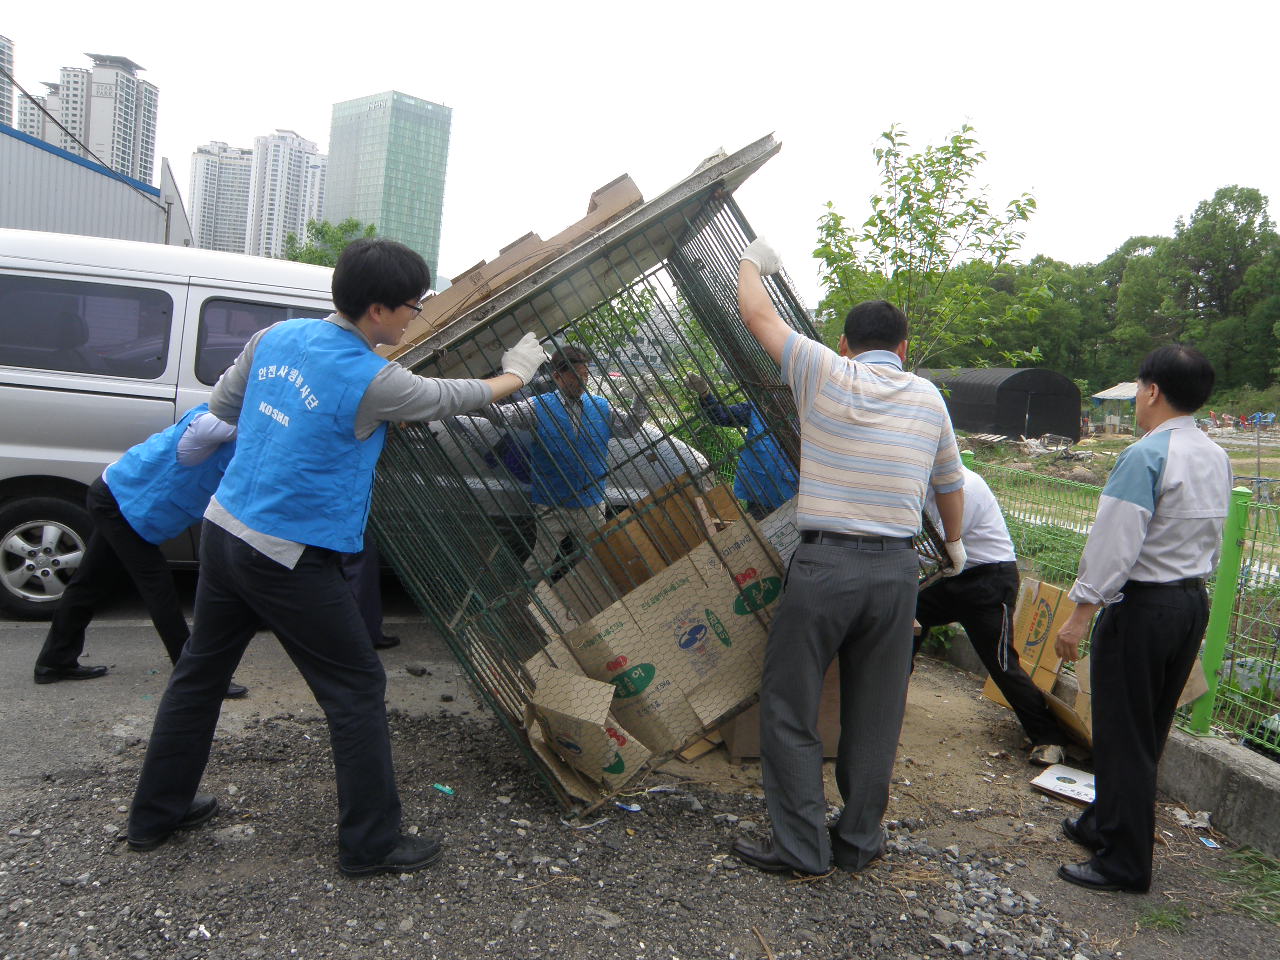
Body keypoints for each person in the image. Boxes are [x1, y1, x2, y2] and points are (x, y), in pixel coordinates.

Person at [125, 238, 544, 876]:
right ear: (377, 309)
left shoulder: (276, 337)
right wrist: (517, 374)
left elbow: (223, 408)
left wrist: (304, 420)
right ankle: (370, 844)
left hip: (224, 529)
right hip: (287, 553)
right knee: (356, 687)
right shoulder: (371, 379)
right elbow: (452, 397)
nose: (415, 316)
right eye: (411, 305)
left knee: (198, 676)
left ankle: (155, 814)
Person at [728, 239, 967, 877]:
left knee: (789, 702)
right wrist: (957, 546)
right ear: (905, 348)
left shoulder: (822, 371)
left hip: (826, 566)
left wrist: (753, 261)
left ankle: (802, 847)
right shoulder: (928, 398)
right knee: (877, 710)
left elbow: (757, 316)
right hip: (896, 574)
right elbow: (950, 485)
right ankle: (859, 840)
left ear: (844, 343)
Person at [1052, 345, 1230, 894]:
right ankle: (1102, 822)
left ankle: (1124, 863)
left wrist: (1080, 616)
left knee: (1121, 733)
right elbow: (1214, 539)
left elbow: (1114, 545)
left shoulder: (1147, 454)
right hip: (1189, 604)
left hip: (1143, 604)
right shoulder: (1216, 456)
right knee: (1147, 728)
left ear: (1150, 391)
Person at [33, 404, 247, 699]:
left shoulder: (234, 428)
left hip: (125, 503)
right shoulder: (212, 424)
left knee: (88, 584)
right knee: (159, 592)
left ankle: (54, 661)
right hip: (121, 504)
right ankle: (199, 678)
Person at [912, 465, 1070, 765]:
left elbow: (939, 545)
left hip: (989, 580)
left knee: (1000, 662)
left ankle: (1050, 738)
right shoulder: (923, 482)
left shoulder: (963, 487)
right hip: (951, 577)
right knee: (907, 619)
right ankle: (891, 695)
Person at [484, 344, 647, 579]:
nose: (582, 381)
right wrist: (477, 393)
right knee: (540, 562)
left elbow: (628, 428)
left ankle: (589, 607)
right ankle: (524, 603)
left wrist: (640, 399)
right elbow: (502, 417)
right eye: (575, 376)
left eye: (585, 375)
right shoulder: (538, 406)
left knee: (596, 560)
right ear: (558, 377)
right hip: (552, 505)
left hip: (592, 503)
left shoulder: (600, 406)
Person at [683, 371, 797, 519]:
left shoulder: (810, 413)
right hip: (759, 493)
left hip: (793, 492)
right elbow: (722, 416)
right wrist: (705, 394)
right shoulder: (758, 408)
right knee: (763, 534)